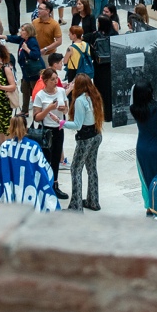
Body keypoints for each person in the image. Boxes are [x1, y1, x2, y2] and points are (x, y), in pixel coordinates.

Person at [0, 114, 60, 211]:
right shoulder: (34, 147)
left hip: (11, 192)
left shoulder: (5, 147)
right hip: (30, 194)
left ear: (10, 127)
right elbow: (46, 173)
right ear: (26, 127)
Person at [65, 73, 104, 212]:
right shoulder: (94, 97)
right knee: (91, 168)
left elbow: (77, 125)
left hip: (85, 139)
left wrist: (61, 123)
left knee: (75, 169)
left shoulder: (80, 101)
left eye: (74, 83)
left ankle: (76, 206)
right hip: (97, 135)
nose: (72, 85)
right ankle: (93, 201)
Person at [131, 82, 157, 214]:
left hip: (141, 147)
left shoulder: (134, 109)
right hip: (156, 148)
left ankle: (149, 206)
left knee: (145, 178)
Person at [32, 68, 69, 200]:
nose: (55, 81)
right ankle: (45, 185)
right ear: (46, 81)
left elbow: (66, 108)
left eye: (56, 78)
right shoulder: (40, 96)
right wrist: (48, 109)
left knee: (56, 157)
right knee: (46, 158)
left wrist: (63, 109)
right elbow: (36, 117)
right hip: (46, 130)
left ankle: (55, 184)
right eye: (52, 79)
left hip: (58, 128)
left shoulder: (61, 91)